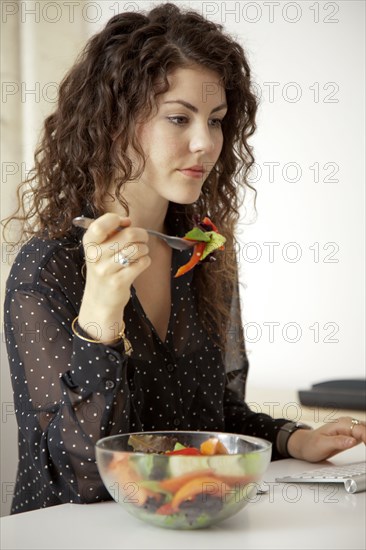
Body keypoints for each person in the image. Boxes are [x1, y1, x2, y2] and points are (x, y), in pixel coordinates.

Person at [3, 3, 365, 515]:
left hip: (187, 524)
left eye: (215, 121)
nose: (206, 143)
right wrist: (101, 317)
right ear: (113, 122)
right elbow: (83, 475)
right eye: (179, 118)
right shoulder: (47, 269)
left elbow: (212, 415)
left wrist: (292, 440)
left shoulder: (202, 251)